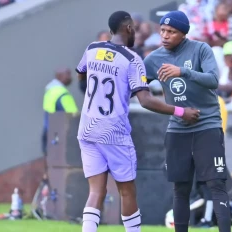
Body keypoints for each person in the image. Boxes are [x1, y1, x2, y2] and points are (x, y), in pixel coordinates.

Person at [75, 11, 200, 232]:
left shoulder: (92, 49)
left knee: (96, 191)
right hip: (113, 132)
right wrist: (181, 111)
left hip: (87, 129)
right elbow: (146, 100)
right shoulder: (132, 59)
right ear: (129, 28)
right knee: (127, 191)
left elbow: (81, 75)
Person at [143, 11, 231, 232]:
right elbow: (137, 86)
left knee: (216, 185)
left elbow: (213, 80)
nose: (165, 35)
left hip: (208, 125)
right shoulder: (153, 59)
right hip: (178, 128)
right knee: (180, 188)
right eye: (162, 30)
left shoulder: (201, 49)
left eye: (171, 32)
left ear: (183, 34)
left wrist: (183, 71)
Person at [42, 68, 78, 157]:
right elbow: (74, 115)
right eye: (68, 74)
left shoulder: (50, 91)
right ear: (60, 76)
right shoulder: (61, 92)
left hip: (50, 136)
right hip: (61, 137)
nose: (71, 77)